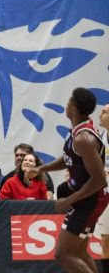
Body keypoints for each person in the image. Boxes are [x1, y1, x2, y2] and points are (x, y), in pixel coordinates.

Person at [37, 88, 107, 273]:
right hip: (88, 198)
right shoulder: (76, 132)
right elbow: (68, 159)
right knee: (79, 251)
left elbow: (99, 180)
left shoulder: (84, 138)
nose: (66, 105)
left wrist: (68, 200)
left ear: (73, 108)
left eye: (68, 102)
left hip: (91, 199)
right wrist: (42, 168)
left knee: (63, 254)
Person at [95, 103, 109, 273]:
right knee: (105, 240)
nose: (100, 114)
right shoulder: (100, 138)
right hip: (105, 195)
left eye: (104, 112)